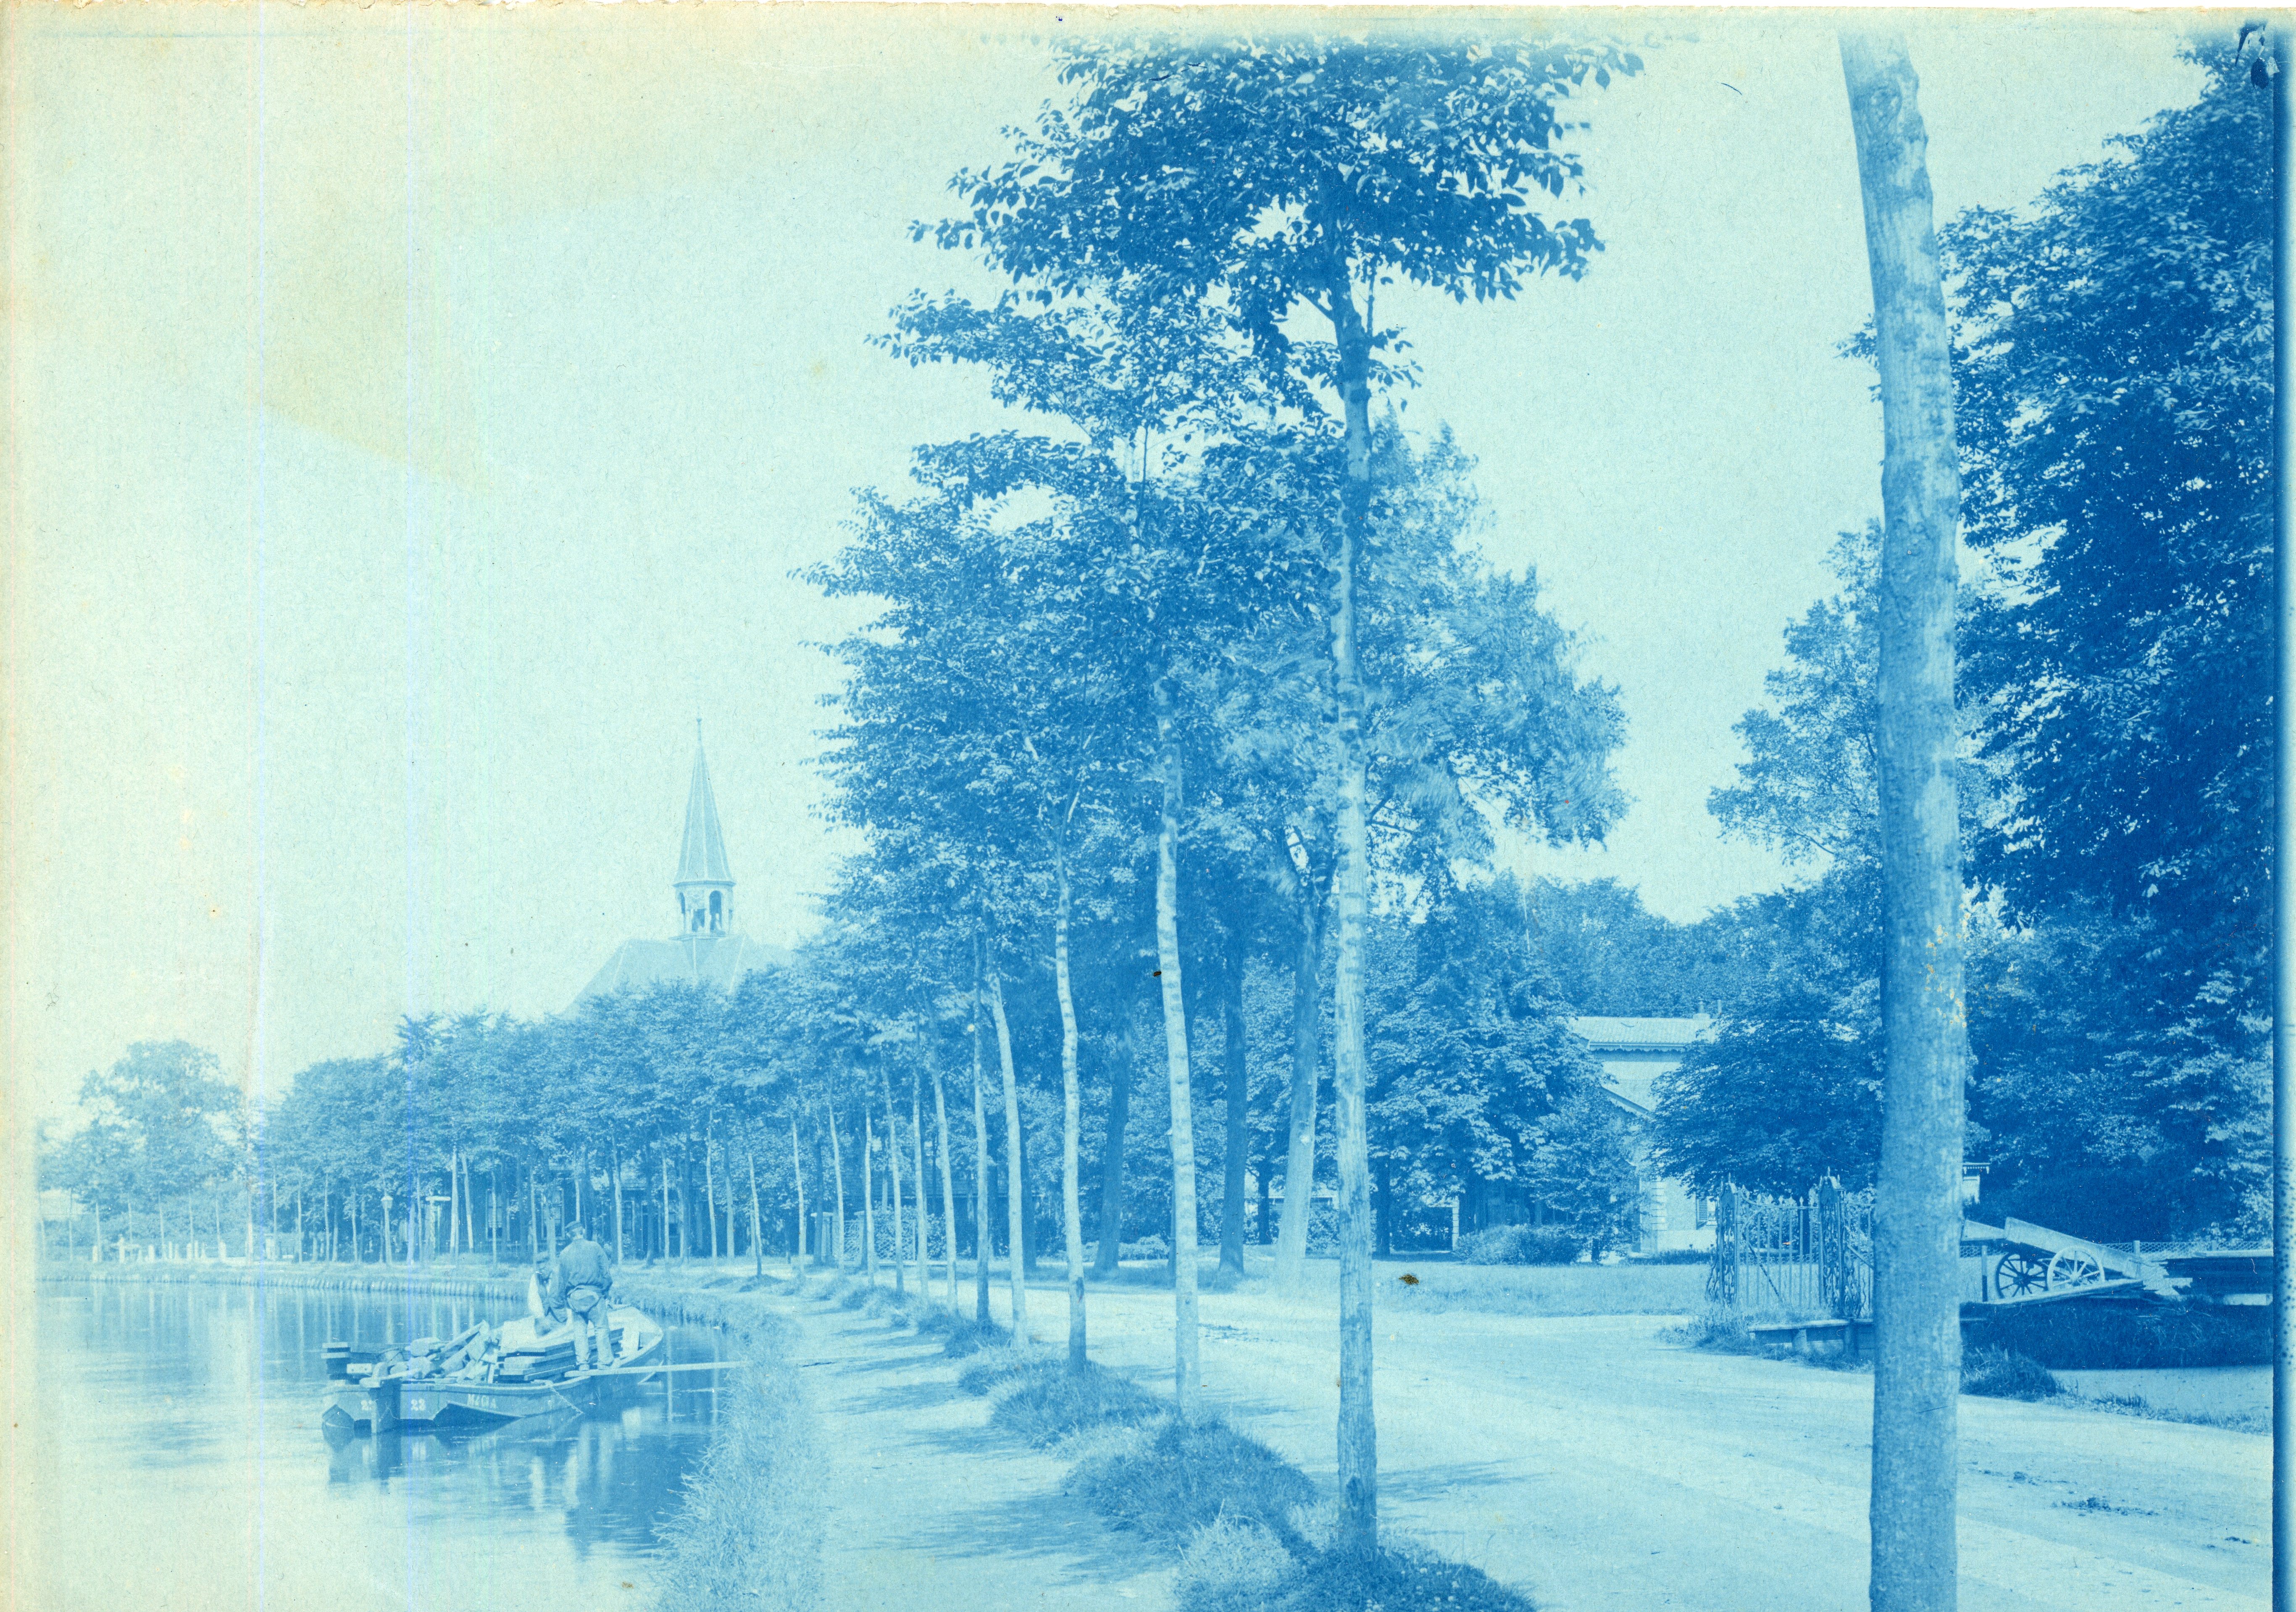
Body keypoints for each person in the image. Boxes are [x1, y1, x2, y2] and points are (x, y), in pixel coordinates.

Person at [550, 1222, 615, 1371]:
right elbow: (607, 1275)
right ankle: (605, 1362)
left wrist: (565, 1301)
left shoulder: (564, 1253)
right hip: (594, 1295)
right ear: (583, 1231)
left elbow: (560, 1282)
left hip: (574, 1298)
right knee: (601, 1328)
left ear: (569, 1236)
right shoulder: (595, 1247)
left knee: (580, 1331)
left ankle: (583, 1364)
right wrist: (604, 1291)